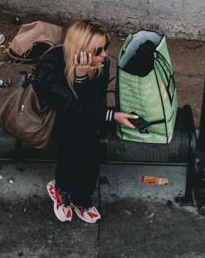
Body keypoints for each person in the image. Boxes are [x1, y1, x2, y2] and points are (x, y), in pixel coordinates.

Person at [32, 19, 140, 223]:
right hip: (53, 119)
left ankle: (81, 196)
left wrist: (86, 78)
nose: (104, 55)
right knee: (74, 135)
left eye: (105, 48)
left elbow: (94, 103)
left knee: (87, 137)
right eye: (98, 50)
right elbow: (69, 106)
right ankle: (63, 190)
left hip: (84, 119)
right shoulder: (51, 65)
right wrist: (80, 77)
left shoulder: (101, 64)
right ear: (80, 49)